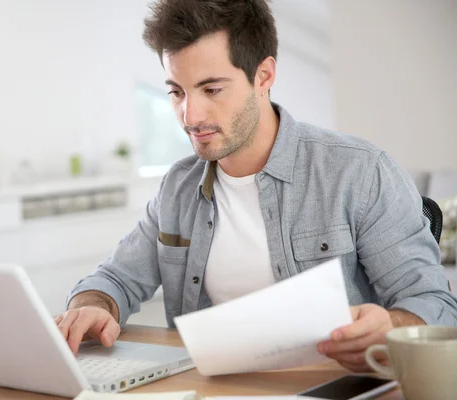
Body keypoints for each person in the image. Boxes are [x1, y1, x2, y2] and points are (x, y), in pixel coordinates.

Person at [55, 0, 457, 372]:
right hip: (210, 388)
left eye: (211, 89)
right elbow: (114, 280)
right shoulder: (177, 187)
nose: (190, 114)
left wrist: (390, 325)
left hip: (333, 386)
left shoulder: (359, 171)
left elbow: (437, 305)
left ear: (263, 76)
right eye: (176, 92)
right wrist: (91, 306)